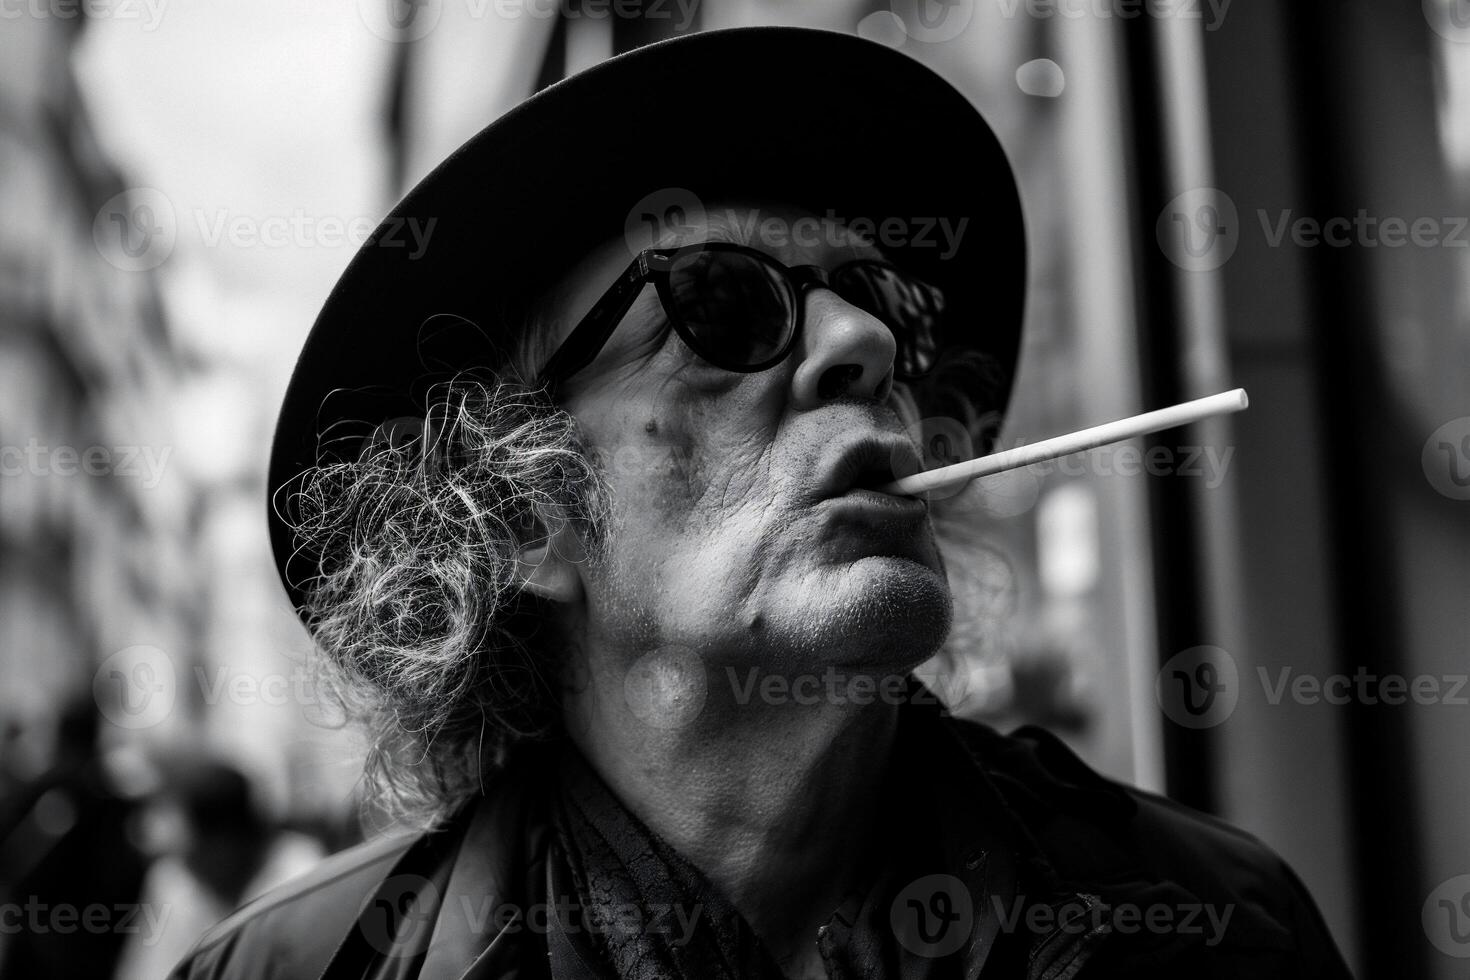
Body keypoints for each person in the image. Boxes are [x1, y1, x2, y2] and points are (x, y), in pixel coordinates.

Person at [170, 26, 1351, 980]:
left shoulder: (1216, 928)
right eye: (723, 304)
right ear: (521, 512)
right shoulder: (297, 967)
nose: (866, 339)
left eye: (876, 294)